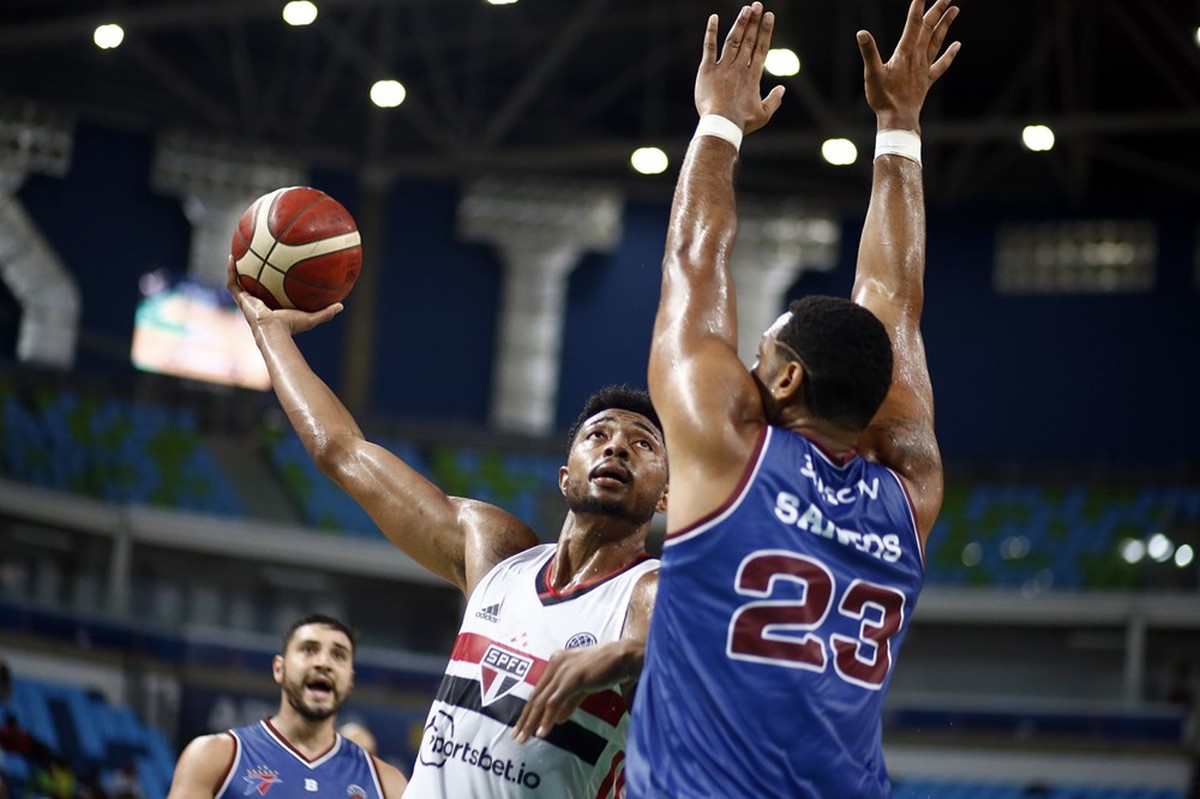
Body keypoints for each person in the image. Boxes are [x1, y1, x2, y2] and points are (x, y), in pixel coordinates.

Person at [625, 2, 960, 797]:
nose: (745, 364)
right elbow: (894, 300)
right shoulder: (910, 485)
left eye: (760, 354)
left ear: (785, 381)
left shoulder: (730, 449)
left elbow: (694, 260)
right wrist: (901, 127)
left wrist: (718, 125)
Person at [228, 262, 669, 798]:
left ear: (665, 495)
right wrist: (270, 334)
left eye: (643, 443)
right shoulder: (496, 553)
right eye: (597, 435)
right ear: (564, 475)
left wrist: (626, 654)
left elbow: (693, 643)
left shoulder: (650, 591)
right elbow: (342, 452)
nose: (616, 446)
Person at [166, 614, 408, 798]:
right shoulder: (215, 756)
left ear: (351, 679)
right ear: (278, 669)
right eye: (309, 650)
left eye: (339, 655)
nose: (324, 662)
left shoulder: (388, 784)